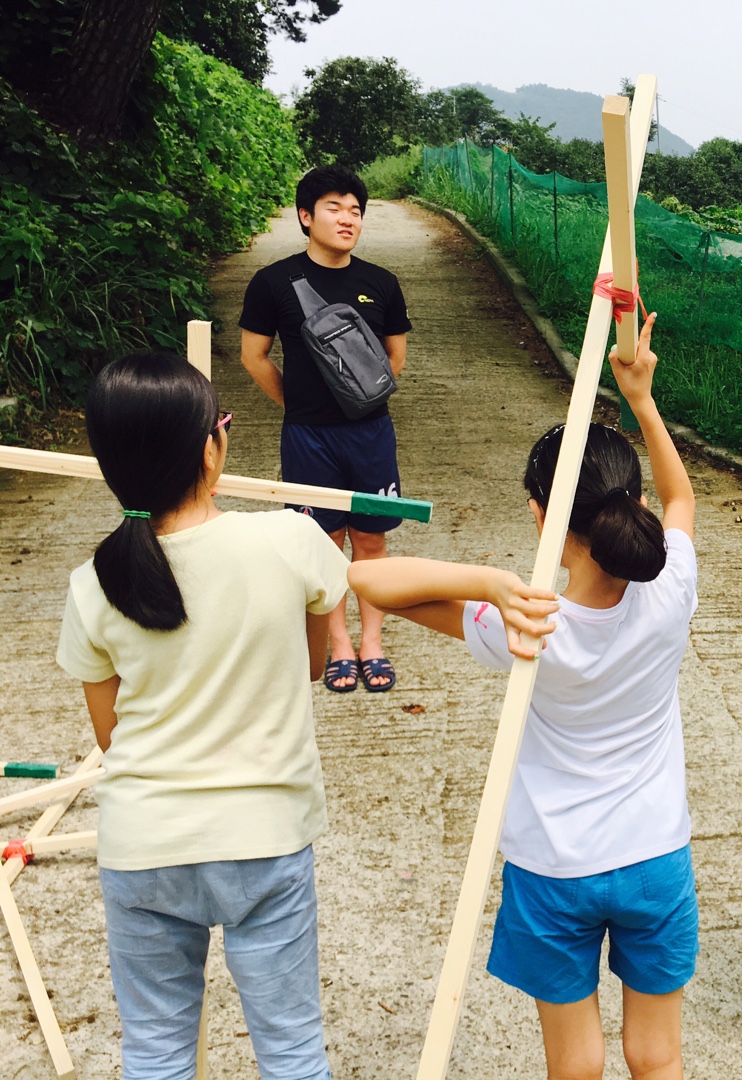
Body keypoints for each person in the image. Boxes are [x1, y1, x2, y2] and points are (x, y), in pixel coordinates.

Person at [55, 352, 551, 1078]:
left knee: (155, 1052)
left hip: (142, 847)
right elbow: (316, 663)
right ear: (210, 450)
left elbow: (112, 736)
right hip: (264, 838)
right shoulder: (288, 541)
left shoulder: (91, 583)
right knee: (291, 1049)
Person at [349, 313, 699, 1080]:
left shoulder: (520, 620)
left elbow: (368, 579)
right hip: (654, 856)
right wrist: (642, 400)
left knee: (574, 1062)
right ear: (633, 503)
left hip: (553, 867)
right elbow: (683, 501)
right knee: (658, 1055)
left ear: (540, 515)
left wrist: (487, 582)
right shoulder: (672, 585)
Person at [239, 165, 411, 693]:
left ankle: (372, 643)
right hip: (307, 438)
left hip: (371, 434)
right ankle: (339, 643)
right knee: (324, 543)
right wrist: (297, 404)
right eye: (334, 208)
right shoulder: (273, 283)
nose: (347, 218)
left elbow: (394, 358)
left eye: (355, 210)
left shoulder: (382, 283)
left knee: (371, 541)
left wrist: (357, 401)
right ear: (305, 216)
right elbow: (253, 356)